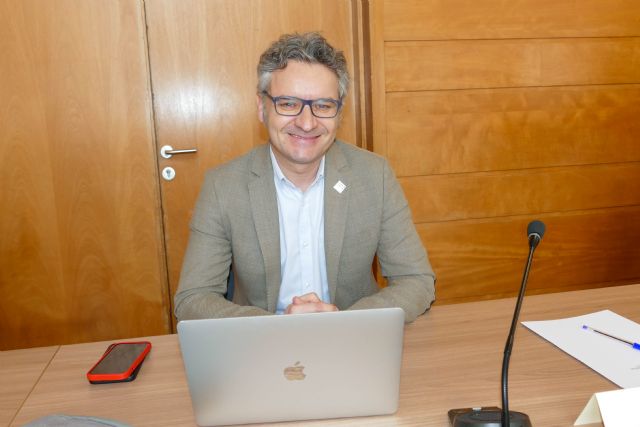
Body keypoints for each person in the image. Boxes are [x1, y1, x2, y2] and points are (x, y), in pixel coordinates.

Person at [174, 32, 435, 322]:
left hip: (352, 334)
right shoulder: (223, 186)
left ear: (339, 113)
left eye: (323, 106)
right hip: (262, 340)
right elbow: (193, 299)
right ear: (262, 108)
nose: (307, 123)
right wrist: (277, 327)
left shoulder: (375, 176)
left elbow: (417, 281)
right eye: (288, 103)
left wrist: (344, 322)